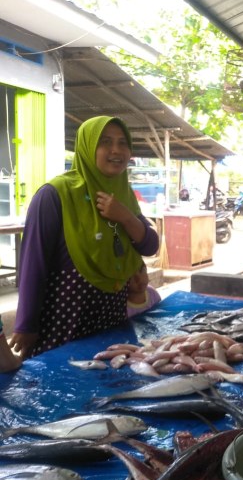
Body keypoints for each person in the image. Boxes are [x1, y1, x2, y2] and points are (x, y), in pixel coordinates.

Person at [9, 116, 160, 358]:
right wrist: (26, 324)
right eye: (105, 142)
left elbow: (150, 245)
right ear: (87, 147)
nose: (116, 150)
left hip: (111, 316)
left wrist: (125, 216)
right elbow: (33, 262)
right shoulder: (55, 194)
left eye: (123, 143)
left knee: (107, 382)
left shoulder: (123, 194)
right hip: (65, 317)